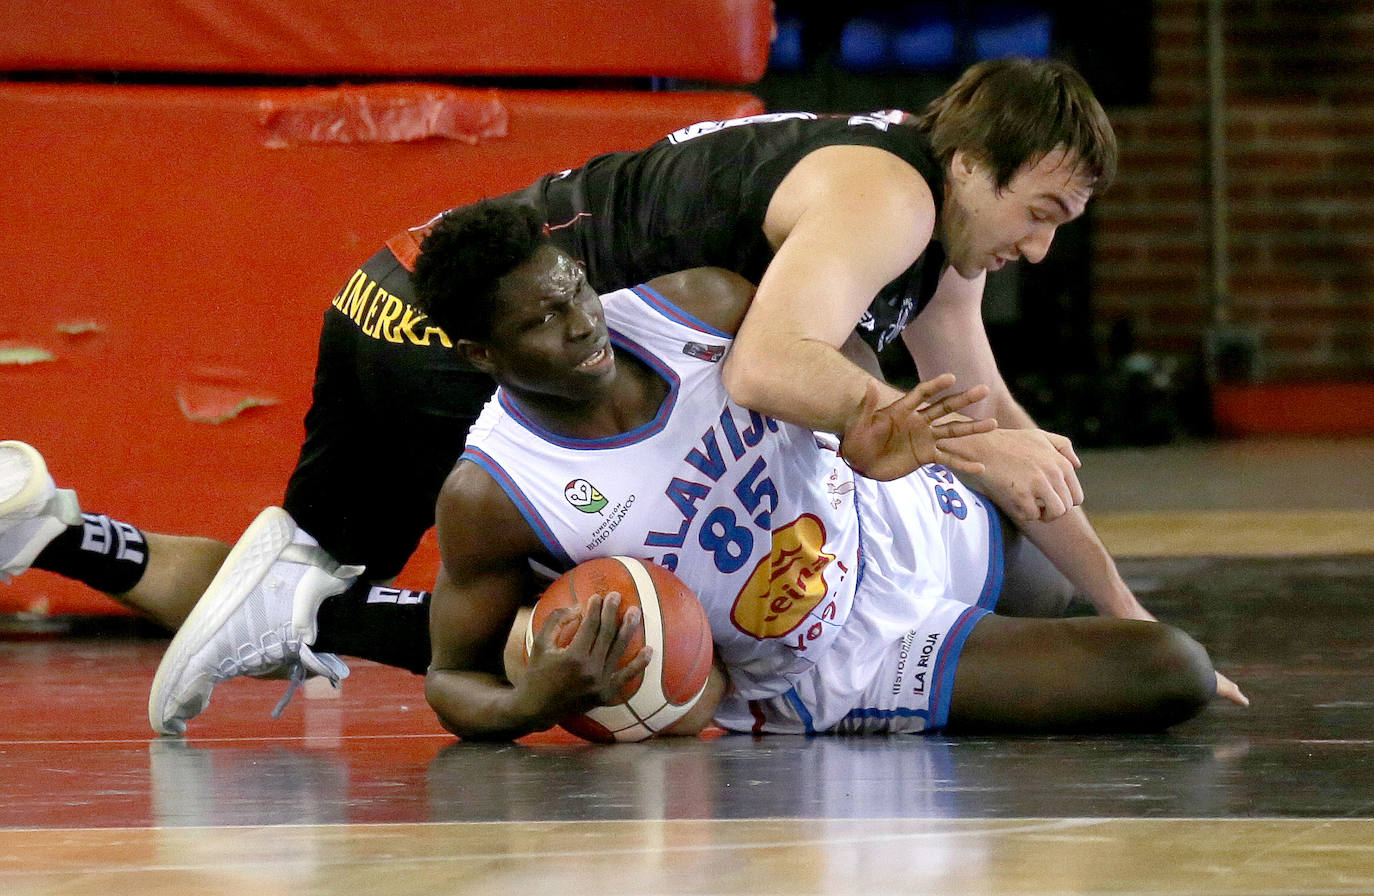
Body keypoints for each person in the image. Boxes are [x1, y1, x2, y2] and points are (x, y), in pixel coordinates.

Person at [0, 57, 1244, 735]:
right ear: (973, 166)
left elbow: (998, 431)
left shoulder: (919, 205)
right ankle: (290, 611)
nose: (1044, 249)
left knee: (323, 565)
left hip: (393, 288)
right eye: (1043, 216)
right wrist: (917, 439)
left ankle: (52, 530)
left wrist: (1117, 596)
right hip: (516, 336)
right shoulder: (891, 201)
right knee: (616, 629)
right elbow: (767, 367)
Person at [416, 201, 1222, 739]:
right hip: (843, 656)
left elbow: (844, 360)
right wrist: (527, 705)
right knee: (1175, 670)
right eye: (543, 322)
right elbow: (452, 675)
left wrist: (859, 425)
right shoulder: (493, 491)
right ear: (483, 354)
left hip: (892, 513)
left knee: (1062, 571)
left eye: (576, 291)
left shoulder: (698, 304)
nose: (582, 323)